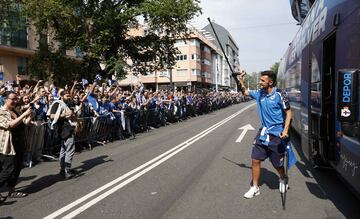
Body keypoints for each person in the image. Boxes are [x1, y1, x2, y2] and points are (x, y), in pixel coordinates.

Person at [238, 70, 292, 199]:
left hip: (277, 134)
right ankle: (255, 187)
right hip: (264, 133)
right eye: (260, 80)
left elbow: (289, 112)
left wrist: (285, 130)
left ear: (270, 82)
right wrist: (241, 80)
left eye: (262, 80)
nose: (260, 82)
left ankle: (283, 178)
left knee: (277, 164)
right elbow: (245, 92)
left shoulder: (280, 94)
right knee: (255, 160)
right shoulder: (260, 94)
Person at [0, 91, 32, 203]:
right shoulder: (1, 111)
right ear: (5, 99)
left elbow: (25, 123)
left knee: (16, 169)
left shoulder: (15, 111)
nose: (15, 101)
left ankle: (12, 191)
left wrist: (28, 115)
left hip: (19, 143)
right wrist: (24, 114)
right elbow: (10, 124)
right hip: (7, 146)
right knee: (8, 170)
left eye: (16, 99)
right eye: (12, 99)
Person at [49, 90, 77, 179]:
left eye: (69, 96)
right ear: (62, 96)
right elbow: (52, 116)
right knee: (69, 150)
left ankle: (63, 169)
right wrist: (65, 114)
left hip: (67, 129)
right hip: (64, 130)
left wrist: (71, 115)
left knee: (64, 150)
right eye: (67, 96)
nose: (69, 97)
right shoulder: (57, 103)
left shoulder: (66, 104)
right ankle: (66, 170)